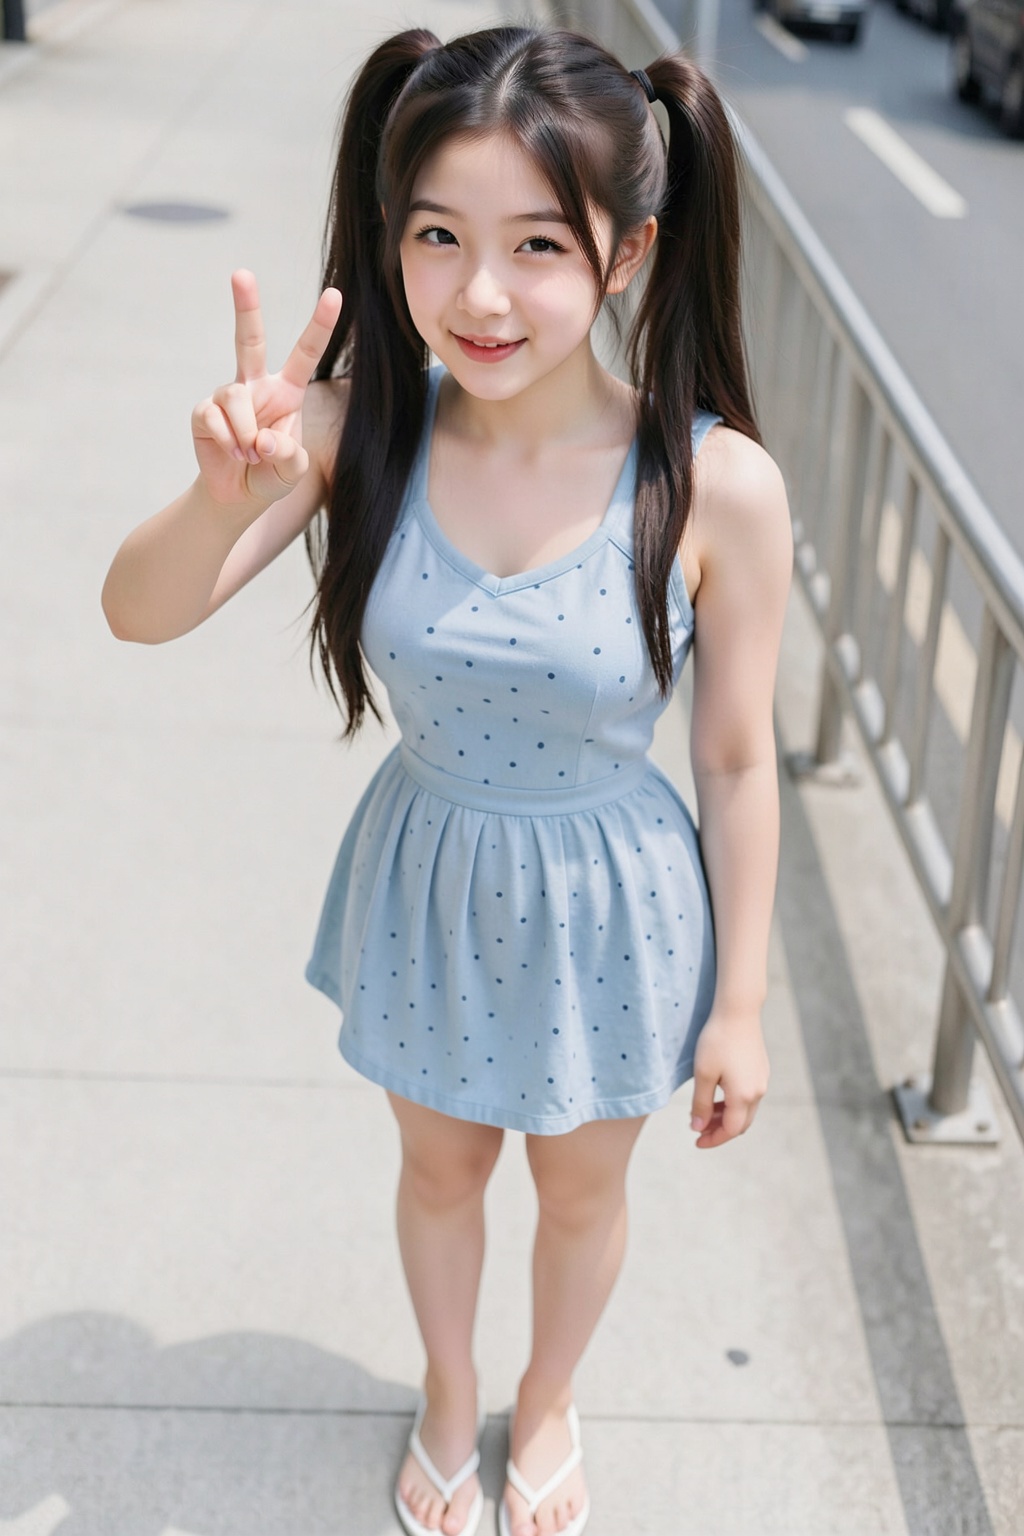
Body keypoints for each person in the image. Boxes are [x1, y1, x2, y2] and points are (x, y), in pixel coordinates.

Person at [101, 22, 792, 1536]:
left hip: (614, 899)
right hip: (430, 872)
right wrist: (216, 494)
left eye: (539, 243)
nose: (481, 294)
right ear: (390, 235)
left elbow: (739, 757)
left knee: (585, 1193)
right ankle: (445, 1383)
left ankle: (543, 1402)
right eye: (437, 235)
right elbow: (136, 613)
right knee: (437, 1173)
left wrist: (740, 1002)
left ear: (626, 257)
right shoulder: (356, 439)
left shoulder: (715, 483)